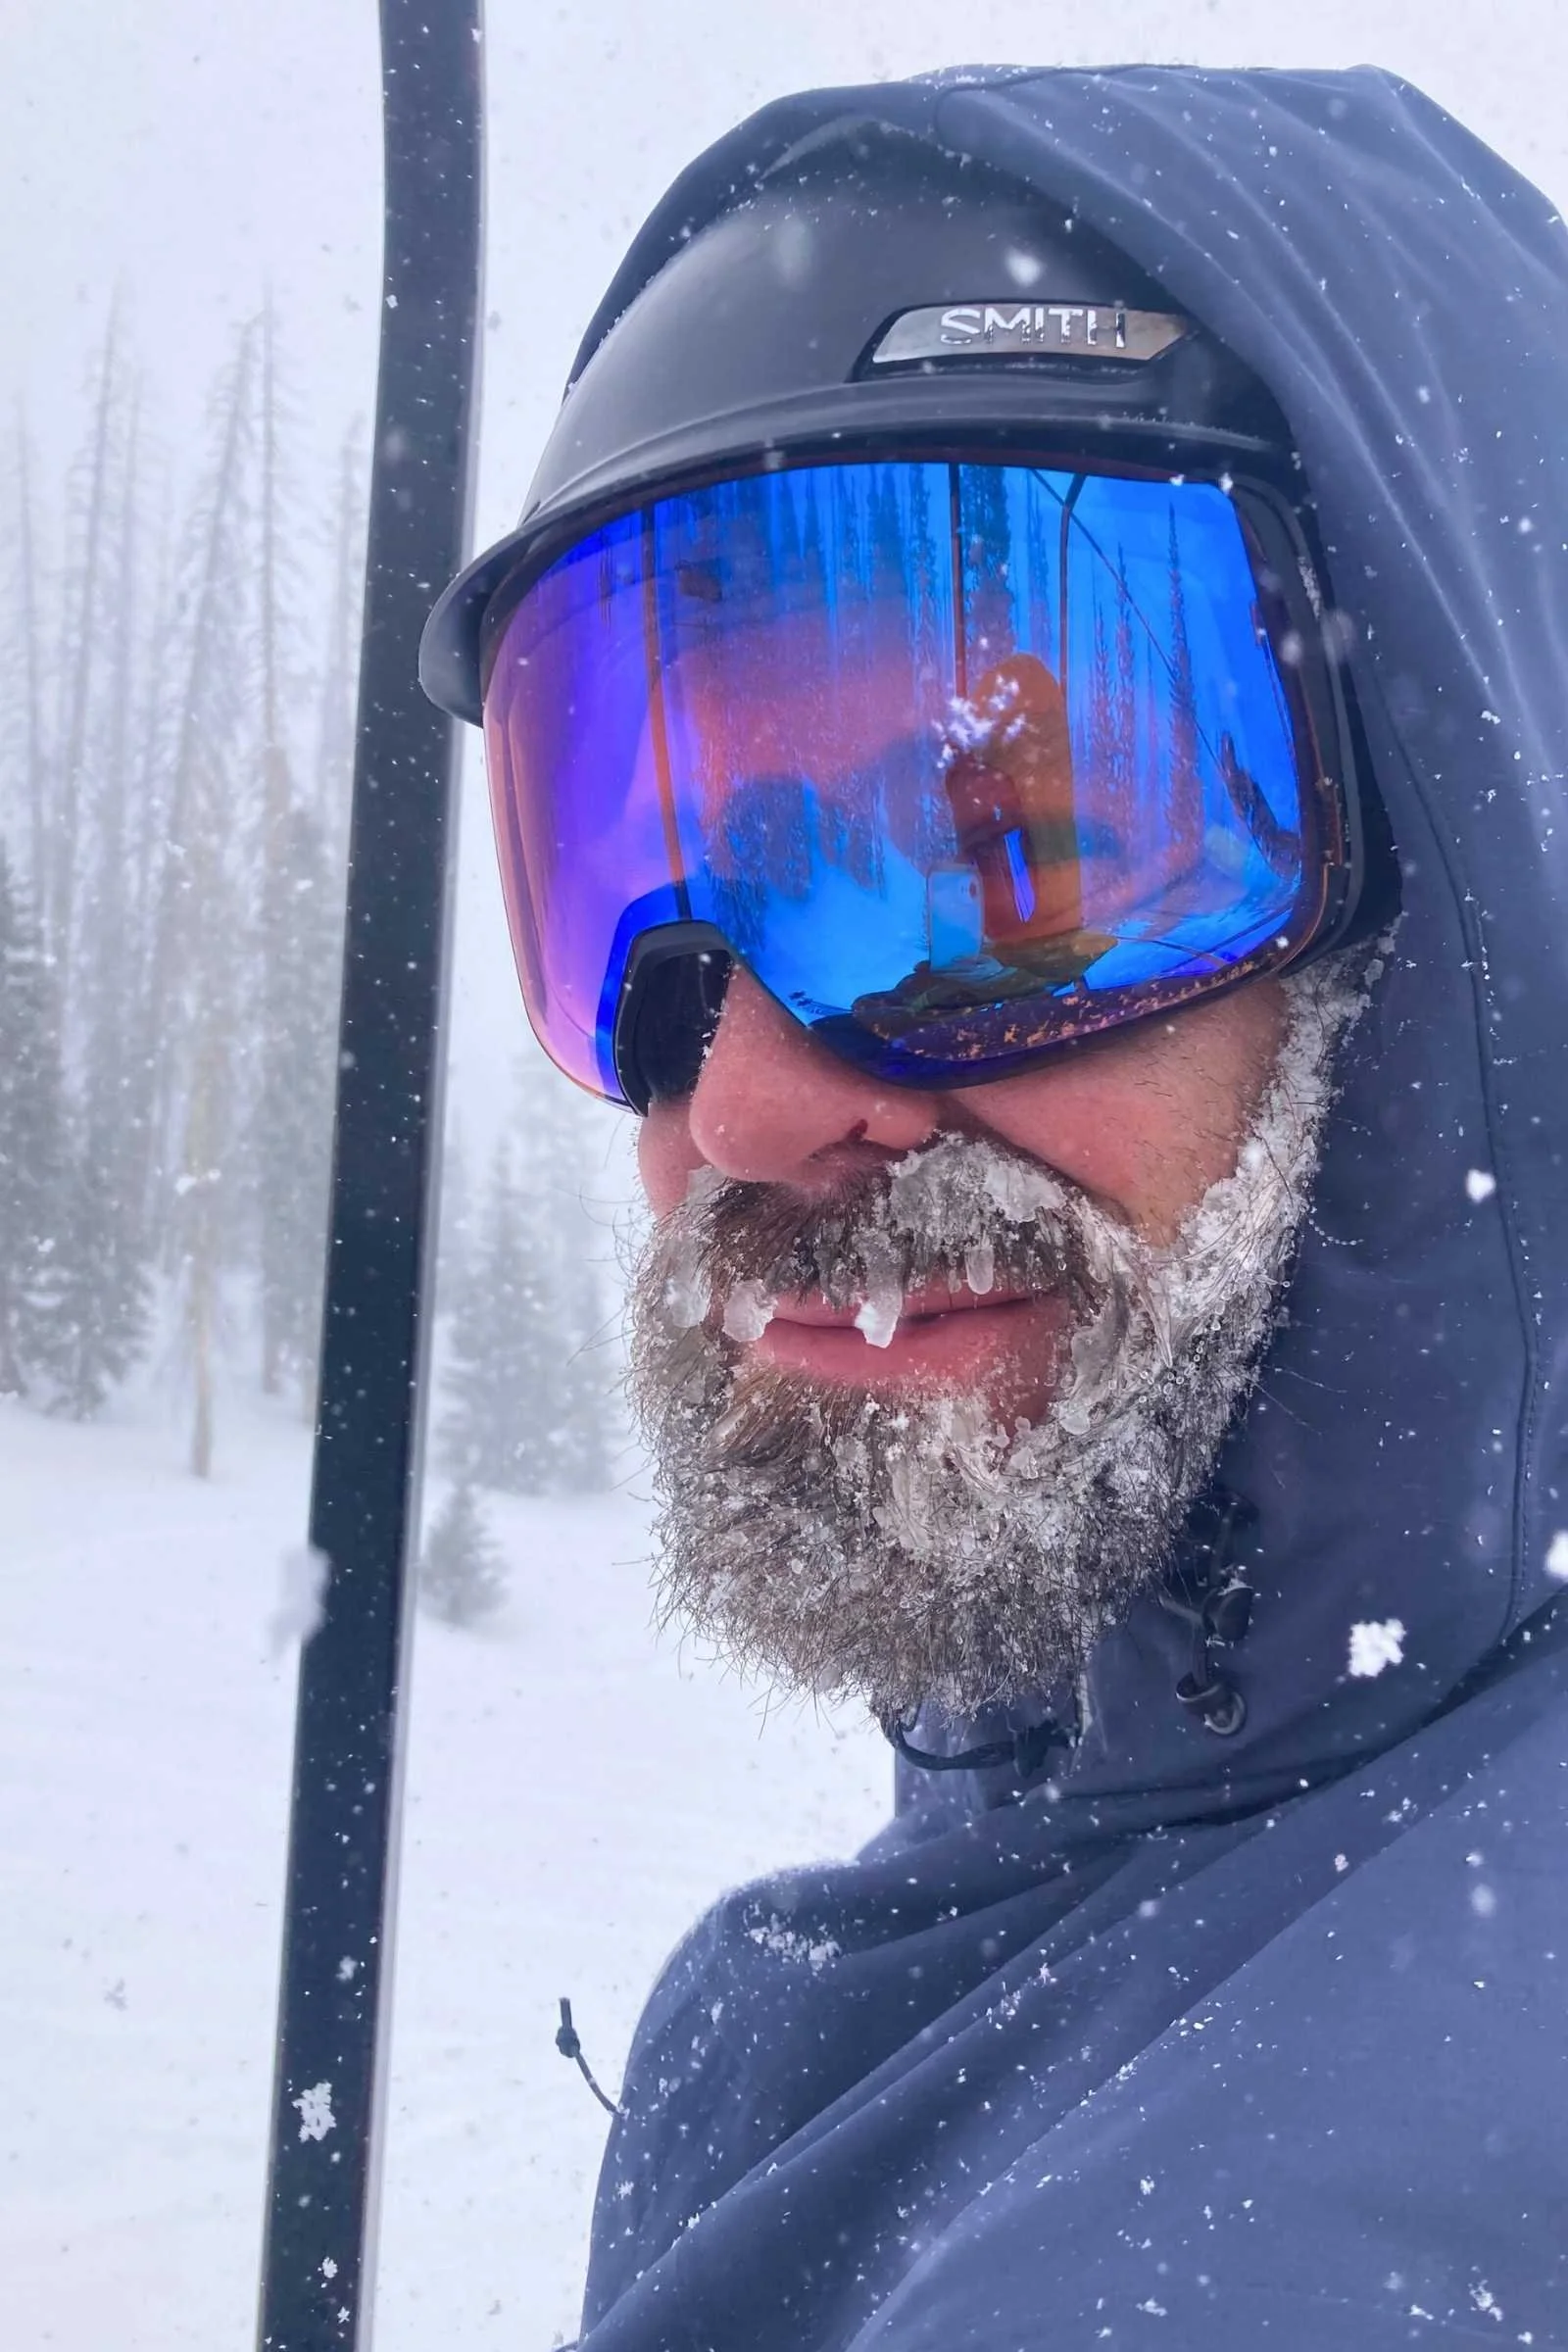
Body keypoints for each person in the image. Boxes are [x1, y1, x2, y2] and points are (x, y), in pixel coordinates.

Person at [421, 63, 1568, 2351]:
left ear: (1459, 897)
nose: (733, 1107)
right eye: (637, 910)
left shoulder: (1364, 2208)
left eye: (996, 868)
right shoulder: (882, 1992)